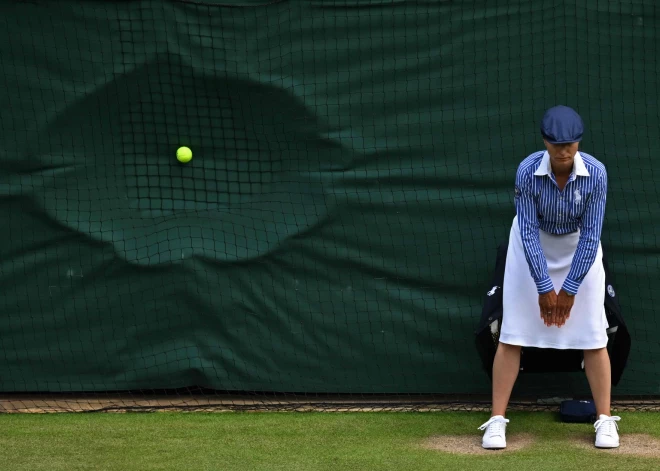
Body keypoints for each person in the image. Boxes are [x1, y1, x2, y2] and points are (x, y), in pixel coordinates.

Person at [478, 106, 621, 449]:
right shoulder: (527, 171)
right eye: (556, 143)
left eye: (570, 143)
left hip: (578, 247)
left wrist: (569, 289)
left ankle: (604, 420)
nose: (563, 150)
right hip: (530, 246)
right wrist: (544, 287)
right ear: (545, 141)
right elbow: (527, 231)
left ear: (579, 142)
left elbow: (591, 235)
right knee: (513, 331)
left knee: (593, 333)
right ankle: (496, 421)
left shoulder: (597, 173)